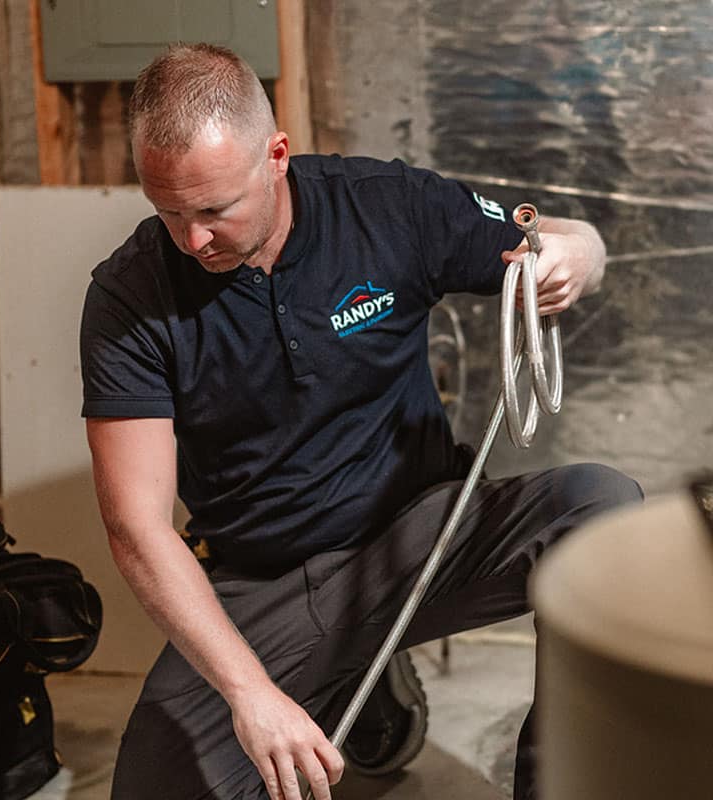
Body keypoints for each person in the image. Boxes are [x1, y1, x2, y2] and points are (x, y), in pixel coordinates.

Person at [80, 43, 643, 800]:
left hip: (422, 537)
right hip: (267, 583)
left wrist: (577, 252)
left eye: (214, 209)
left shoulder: (385, 208)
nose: (193, 239)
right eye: (168, 211)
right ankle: (345, 676)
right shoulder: (129, 297)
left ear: (276, 156)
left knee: (602, 508)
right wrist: (251, 696)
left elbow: (572, 241)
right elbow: (137, 530)